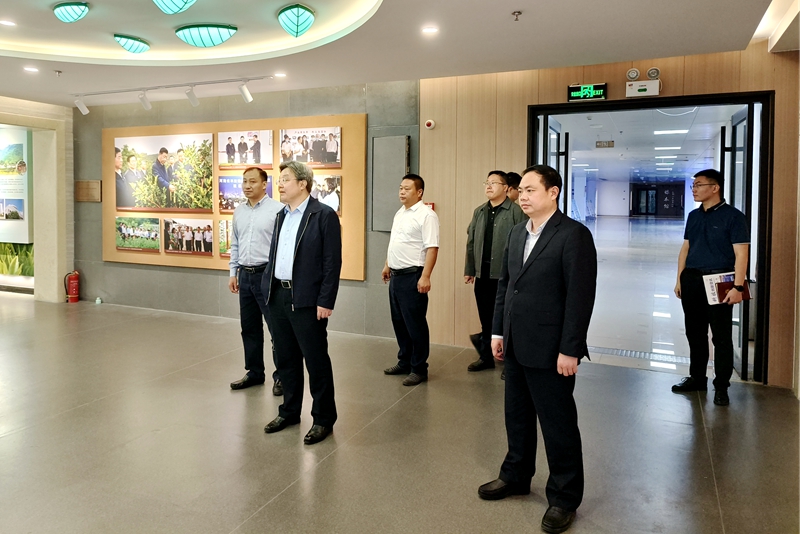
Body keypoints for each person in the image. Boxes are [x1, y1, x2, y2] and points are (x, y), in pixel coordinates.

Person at [478, 165, 596, 534]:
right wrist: (497, 332)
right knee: (516, 416)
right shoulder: (517, 232)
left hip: (551, 349)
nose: (522, 196)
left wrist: (570, 349)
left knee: (558, 425)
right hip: (515, 342)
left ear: (553, 192)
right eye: (522, 191)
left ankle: (564, 497)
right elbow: (506, 286)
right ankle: (515, 475)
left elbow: (580, 297)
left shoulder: (573, 235)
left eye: (531, 190)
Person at [262, 161, 342, 445]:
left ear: (303, 184)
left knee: (316, 361)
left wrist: (325, 300)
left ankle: (323, 419)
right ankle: (289, 411)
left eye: (285, 179)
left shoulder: (323, 215)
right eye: (279, 179)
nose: (279, 184)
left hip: (307, 300)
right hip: (278, 296)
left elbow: (332, 263)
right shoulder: (281, 215)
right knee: (286, 359)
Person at [672, 169, 749, 406]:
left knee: (721, 337)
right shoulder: (694, 216)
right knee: (695, 333)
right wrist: (679, 279)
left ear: (715, 188)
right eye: (693, 186)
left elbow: (741, 253)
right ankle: (697, 378)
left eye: (698, 185)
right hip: (692, 280)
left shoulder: (733, 217)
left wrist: (738, 286)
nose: (694, 189)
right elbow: (686, 248)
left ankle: (722, 385)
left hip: (720, 281)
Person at [228, 167, 285, 395]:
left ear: (264, 184)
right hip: (245, 275)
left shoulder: (278, 210)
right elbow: (235, 243)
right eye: (244, 182)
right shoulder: (239, 211)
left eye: (252, 181)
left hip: (267, 275)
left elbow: (282, 246)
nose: (247, 186)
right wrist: (233, 272)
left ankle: (282, 376)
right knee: (249, 328)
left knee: (277, 329)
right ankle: (254, 372)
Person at [464, 170, 525, 374]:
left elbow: (523, 244)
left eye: (494, 183)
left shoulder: (516, 212)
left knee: (507, 319)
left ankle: (510, 363)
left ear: (506, 188)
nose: (489, 186)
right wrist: (470, 269)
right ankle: (486, 357)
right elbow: (471, 242)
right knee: (486, 318)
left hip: (505, 276)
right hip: (483, 274)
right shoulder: (479, 211)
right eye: (487, 183)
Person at [381, 174, 440, 386]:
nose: (402, 192)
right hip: (396, 276)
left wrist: (426, 276)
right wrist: (387, 264)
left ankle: (419, 368)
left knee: (415, 324)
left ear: (419, 192)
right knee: (399, 322)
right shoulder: (400, 212)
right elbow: (395, 242)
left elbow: (432, 248)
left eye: (407, 188)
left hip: (413, 276)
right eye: (400, 188)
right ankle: (404, 361)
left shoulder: (427, 215)